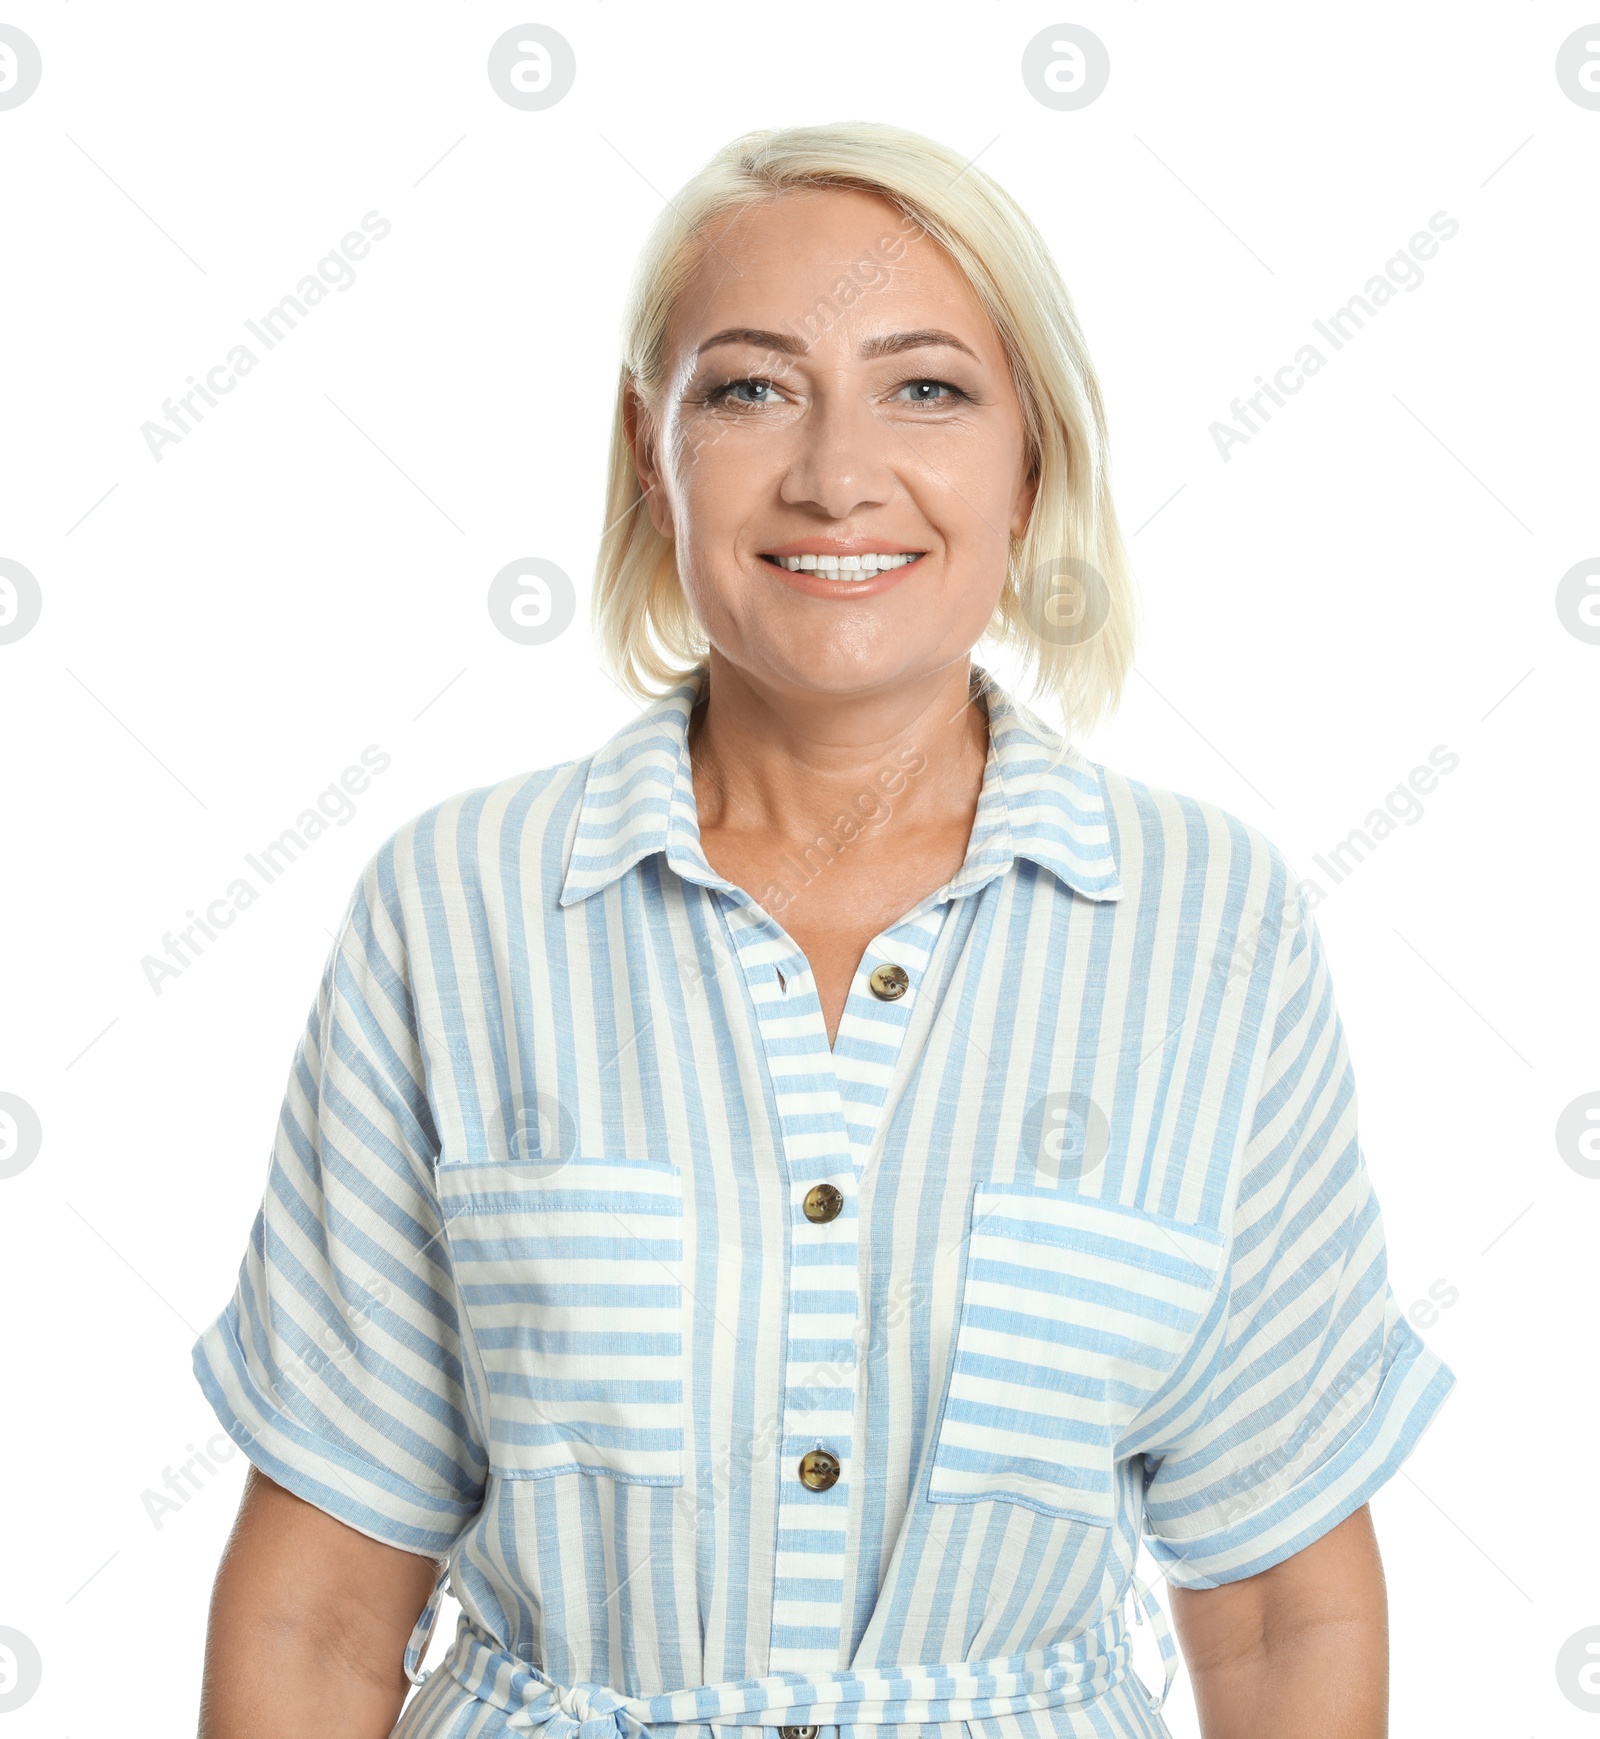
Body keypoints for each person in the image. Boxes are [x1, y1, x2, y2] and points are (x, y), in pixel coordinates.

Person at [192, 121, 1455, 1739]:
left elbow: (1285, 1609)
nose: (835, 473)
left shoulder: (1214, 926)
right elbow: (316, 1608)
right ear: (652, 457)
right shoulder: (458, 905)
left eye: (925, 388)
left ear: (1034, 460)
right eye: (749, 389)